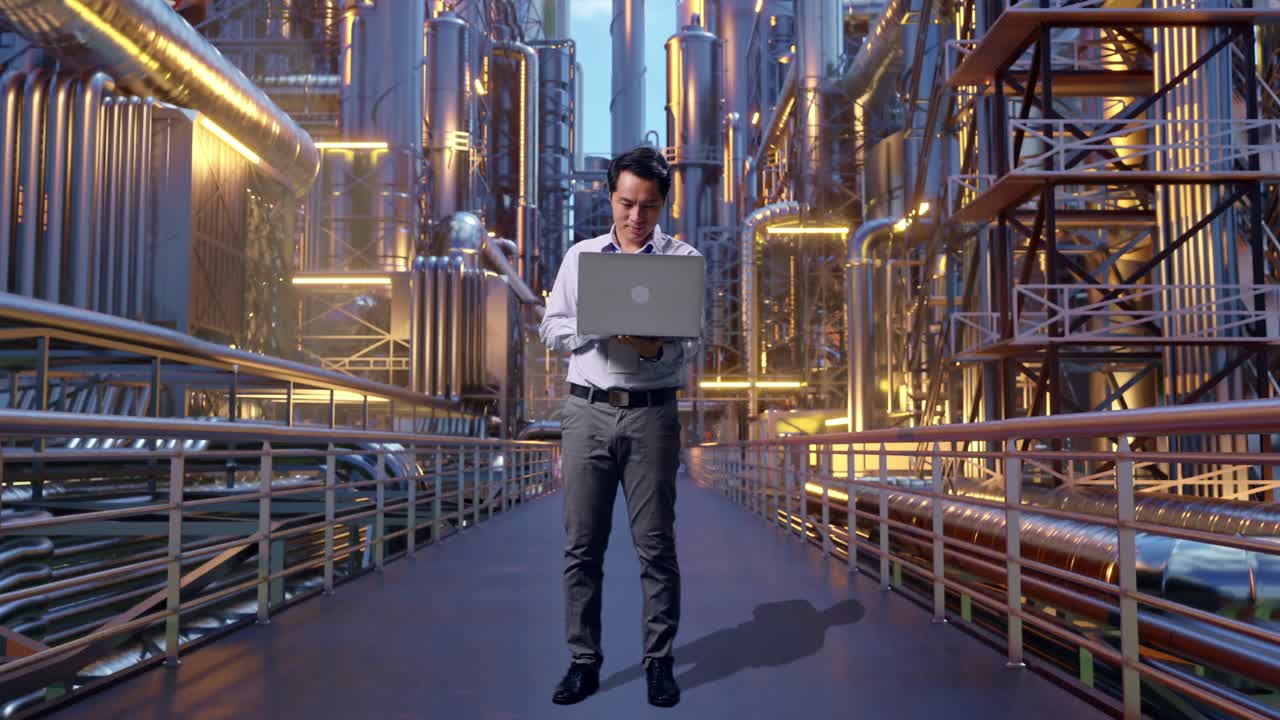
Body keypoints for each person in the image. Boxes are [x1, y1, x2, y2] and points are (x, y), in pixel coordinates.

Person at [538, 146, 701, 708]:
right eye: (628, 203)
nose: (637, 218)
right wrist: (597, 327)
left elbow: (692, 343)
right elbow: (550, 327)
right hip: (586, 411)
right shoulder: (581, 257)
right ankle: (584, 661)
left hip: (653, 414)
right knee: (582, 544)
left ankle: (659, 662)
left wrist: (653, 345)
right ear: (610, 196)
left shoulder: (683, 259)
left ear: (663, 205)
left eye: (649, 207)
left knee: (655, 545)